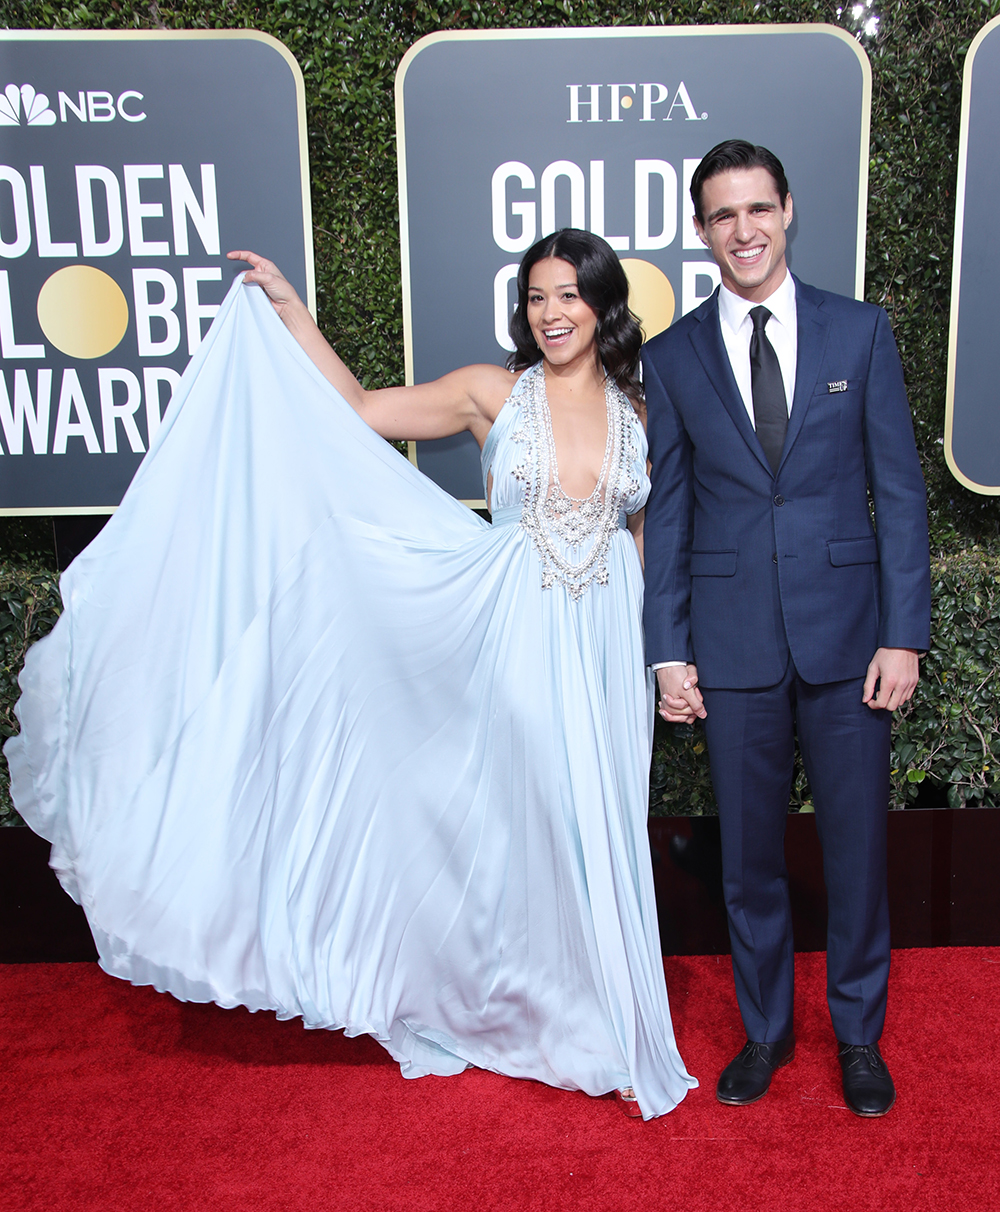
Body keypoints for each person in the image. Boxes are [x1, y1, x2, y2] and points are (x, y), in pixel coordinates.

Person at [5, 228, 696, 1120]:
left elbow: (649, 542)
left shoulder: (641, 410)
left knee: (596, 818)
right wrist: (293, 314)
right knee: (526, 817)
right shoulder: (495, 393)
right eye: (536, 297)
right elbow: (361, 410)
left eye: (568, 295)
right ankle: (528, 1004)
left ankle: (602, 1007)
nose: (551, 313)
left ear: (602, 303)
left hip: (605, 645)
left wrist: (662, 653)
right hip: (513, 634)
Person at [641, 141, 930, 1118]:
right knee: (748, 859)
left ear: (787, 210)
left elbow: (897, 490)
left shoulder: (859, 333)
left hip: (850, 640)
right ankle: (764, 1032)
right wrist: (667, 648)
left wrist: (905, 634)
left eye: (757, 208)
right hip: (729, 649)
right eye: (723, 215)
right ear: (701, 230)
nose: (744, 230)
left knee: (854, 853)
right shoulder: (673, 354)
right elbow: (671, 513)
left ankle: (858, 1037)